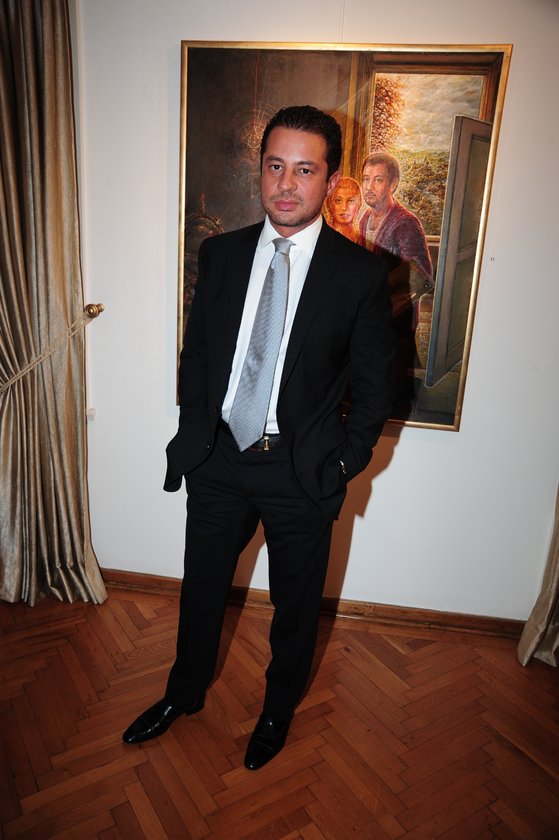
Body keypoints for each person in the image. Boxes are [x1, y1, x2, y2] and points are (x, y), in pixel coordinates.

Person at [123, 106, 394, 770]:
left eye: (304, 170)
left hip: (300, 470)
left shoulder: (358, 275)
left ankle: (275, 712)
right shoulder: (220, 254)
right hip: (218, 458)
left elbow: (376, 389)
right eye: (275, 166)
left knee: (295, 608)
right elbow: (197, 354)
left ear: (330, 180)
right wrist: (195, 427)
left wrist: (342, 461)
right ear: (261, 169)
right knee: (200, 591)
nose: (286, 184)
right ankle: (183, 694)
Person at [359, 152, 433, 318]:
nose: (369, 187)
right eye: (366, 179)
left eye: (378, 180)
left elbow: (421, 275)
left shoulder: (406, 223)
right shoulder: (365, 219)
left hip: (394, 319)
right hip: (368, 315)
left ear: (392, 184)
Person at [324, 175, 362, 242]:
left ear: (358, 204)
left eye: (351, 201)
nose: (344, 208)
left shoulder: (364, 240)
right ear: (329, 204)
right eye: (338, 201)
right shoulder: (323, 236)